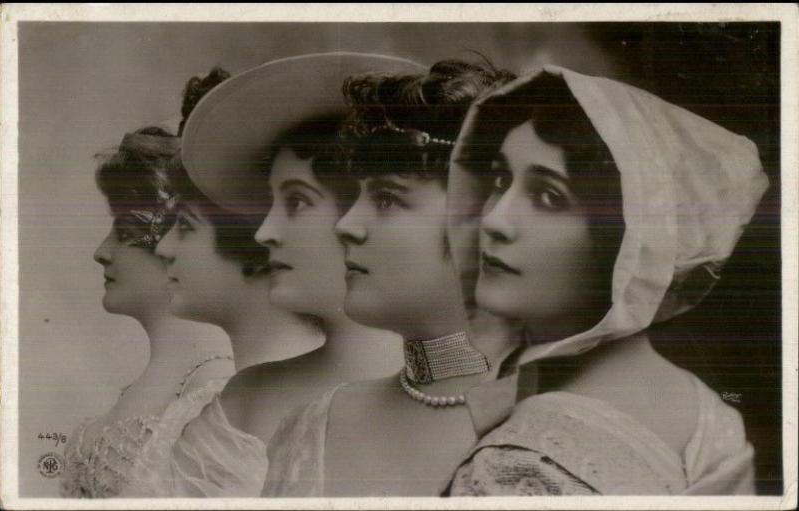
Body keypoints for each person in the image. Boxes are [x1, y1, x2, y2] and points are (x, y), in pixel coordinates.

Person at [442, 66, 768, 495]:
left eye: (548, 197)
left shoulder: (519, 464)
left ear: (632, 238)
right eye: (501, 180)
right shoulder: (708, 414)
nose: (494, 219)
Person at [165, 53, 424, 495]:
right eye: (270, 205)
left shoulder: (481, 396)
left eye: (297, 202)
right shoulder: (248, 400)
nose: (265, 232)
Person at [263, 59, 518, 497]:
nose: (345, 224)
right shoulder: (315, 426)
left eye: (385, 199)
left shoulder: (557, 428)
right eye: (357, 195)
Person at [60, 120, 234, 497]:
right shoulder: (137, 391)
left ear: (172, 243)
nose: (101, 253)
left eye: (123, 233)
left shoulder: (213, 389)